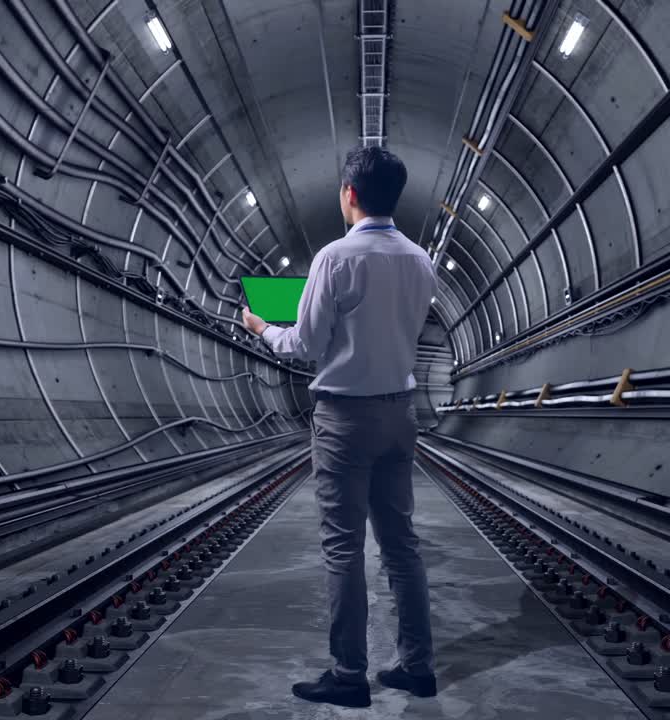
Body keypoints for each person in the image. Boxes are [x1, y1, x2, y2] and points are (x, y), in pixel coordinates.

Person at [241, 146, 439, 708]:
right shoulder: (421, 261)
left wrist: (260, 327)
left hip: (346, 419)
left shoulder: (335, 258)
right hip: (401, 413)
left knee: (343, 550)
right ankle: (417, 666)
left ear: (349, 193)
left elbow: (304, 344)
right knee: (402, 547)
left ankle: (350, 674)